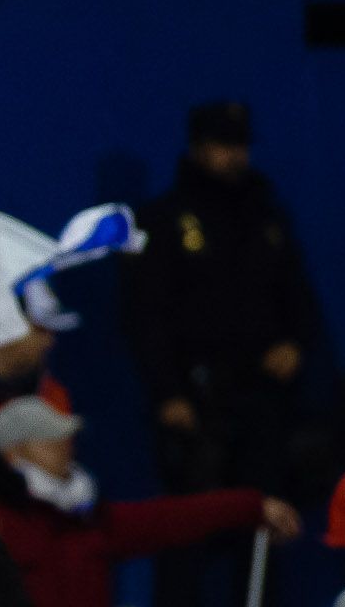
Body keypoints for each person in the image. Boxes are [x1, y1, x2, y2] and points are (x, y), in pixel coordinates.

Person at [122, 100, 322, 504]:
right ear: (198, 147)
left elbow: (296, 291)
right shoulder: (164, 220)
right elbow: (145, 313)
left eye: (241, 145)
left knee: (266, 509)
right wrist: (167, 392)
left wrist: (294, 342)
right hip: (199, 395)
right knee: (198, 514)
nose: (235, 156)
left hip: (263, 391)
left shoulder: (266, 216)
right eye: (223, 145)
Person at [0, 394, 291, 607]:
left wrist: (250, 505)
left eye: (66, 440)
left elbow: (169, 518)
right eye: (50, 443)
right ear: (13, 453)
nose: (66, 449)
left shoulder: (88, 518)